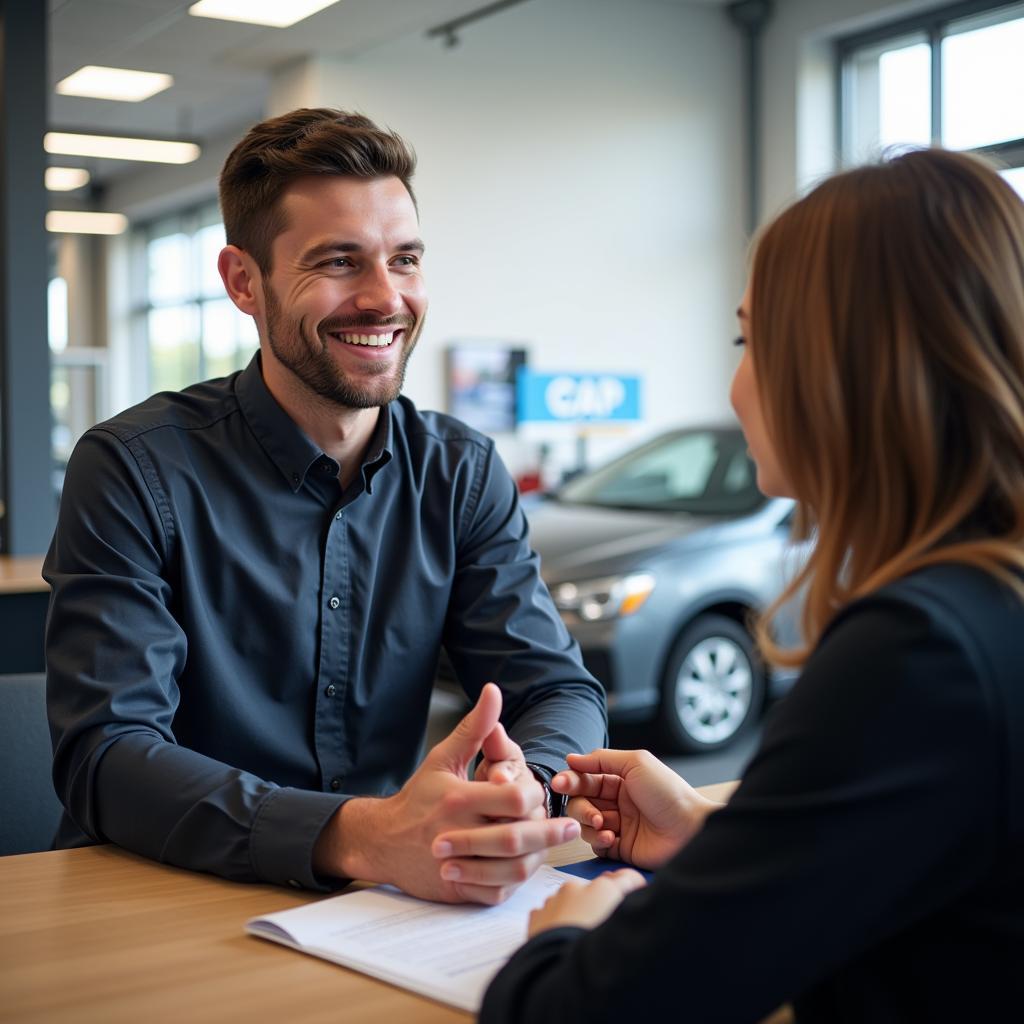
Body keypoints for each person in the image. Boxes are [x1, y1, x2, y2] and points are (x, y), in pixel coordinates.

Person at [467, 148, 1024, 1020]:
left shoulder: (917, 653)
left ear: (846, 367)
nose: (736, 386)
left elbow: (584, 1012)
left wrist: (560, 936)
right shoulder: (992, 607)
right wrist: (717, 840)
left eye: (751, 341)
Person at [44, 108, 605, 902]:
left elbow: (559, 690)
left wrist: (527, 784)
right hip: (164, 893)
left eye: (404, 259)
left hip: (385, 898)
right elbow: (106, 754)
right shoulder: (134, 469)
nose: (386, 299)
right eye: (340, 262)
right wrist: (357, 836)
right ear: (244, 282)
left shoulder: (462, 471)